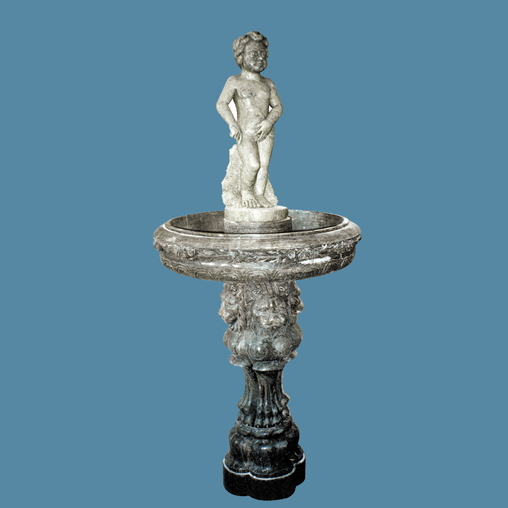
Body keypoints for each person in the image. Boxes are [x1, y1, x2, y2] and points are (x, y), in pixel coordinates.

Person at [217, 31, 283, 208]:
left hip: (266, 131)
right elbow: (221, 104)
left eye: (263, 54)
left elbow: (278, 106)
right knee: (253, 164)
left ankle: (260, 194)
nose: (260, 58)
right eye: (254, 54)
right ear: (241, 56)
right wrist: (232, 124)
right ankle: (246, 191)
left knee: (264, 166)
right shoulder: (234, 81)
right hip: (245, 131)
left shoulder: (268, 83)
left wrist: (269, 122)